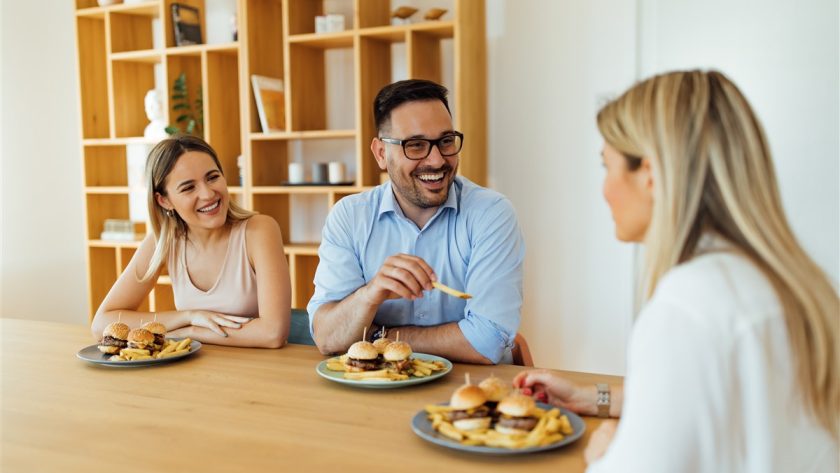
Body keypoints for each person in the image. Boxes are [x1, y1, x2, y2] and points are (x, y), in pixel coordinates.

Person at [515, 70, 838, 472]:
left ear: (649, 174)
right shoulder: (789, 282)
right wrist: (594, 397)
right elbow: (720, 396)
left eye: (607, 166)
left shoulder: (689, 305)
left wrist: (605, 457)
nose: (604, 190)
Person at [307, 79, 525, 364]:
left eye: (446, 141)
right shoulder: (349, 217)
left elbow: (487, 341)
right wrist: (371, 295)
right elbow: (327, 338)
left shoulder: (491, 214)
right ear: (381, 154)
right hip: (376, 393)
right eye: (416, 145)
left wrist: (377, 337)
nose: (436, 160)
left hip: (470, 392)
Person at [91, 135, 292, 347]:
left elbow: (273, 333)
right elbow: (101, 324)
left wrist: (190, 332)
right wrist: (188, 316)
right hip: (192, 371)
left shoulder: (259, 230)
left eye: (212, 177)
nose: (207, 194)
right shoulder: (164, 242)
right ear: (164, 200)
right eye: (188, 188)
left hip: (255, 369)